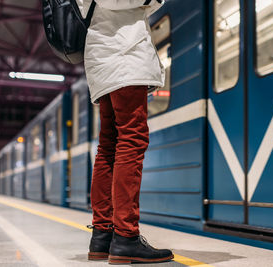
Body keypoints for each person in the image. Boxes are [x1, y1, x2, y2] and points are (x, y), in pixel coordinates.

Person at [75, 0, 173, 264]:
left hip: (103, 57)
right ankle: (126, 237)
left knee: (108, 146)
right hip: (123, 53)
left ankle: (103, 235)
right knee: (132, 139)